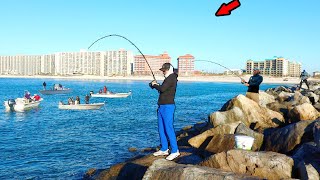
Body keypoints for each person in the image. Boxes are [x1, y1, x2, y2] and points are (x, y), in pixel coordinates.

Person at [150, 63, 180, 161]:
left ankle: (175, 151)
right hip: (161, 106)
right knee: (161, 128)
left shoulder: (172, 77)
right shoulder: (168, 78)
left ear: (169, 69)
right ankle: (164, 149)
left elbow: (162, 89)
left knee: (168, 128)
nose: (163, 72)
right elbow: (163, 90)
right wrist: (154, 85)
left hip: (168, 107)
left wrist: (155, 85)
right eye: (162, 70)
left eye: (164, 70)